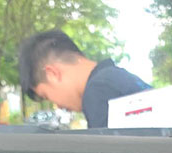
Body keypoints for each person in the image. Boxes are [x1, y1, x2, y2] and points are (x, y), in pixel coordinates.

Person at [18, 30, 150, 129]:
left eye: (46, 96)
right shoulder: (115, 78)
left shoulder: (99, 92)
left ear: (52, 74)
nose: (58, 106)